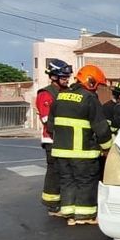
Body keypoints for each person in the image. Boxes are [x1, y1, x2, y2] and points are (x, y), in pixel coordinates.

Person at [49, 65, 112, 226]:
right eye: (97, 85)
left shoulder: (61, 96)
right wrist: (107, 147)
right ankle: (85, 215)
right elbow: (100, 126)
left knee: (67, 181)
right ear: (91, 82)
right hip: (83, 152)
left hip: (61, 152)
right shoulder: (89, 98)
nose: (97, 89)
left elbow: (50, 126)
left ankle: (69, 214)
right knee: (85, 182)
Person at [36, 59, 72, 217]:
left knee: (65, 172)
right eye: (63, 76)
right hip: (52, 140)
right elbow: (47, 120)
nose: (66, 79)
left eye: (67, 76)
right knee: (54, 171)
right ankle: (52, 204)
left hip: (64, 139)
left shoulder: (66, 92)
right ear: (53, 77)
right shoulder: (45, 94)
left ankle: (62, 200)